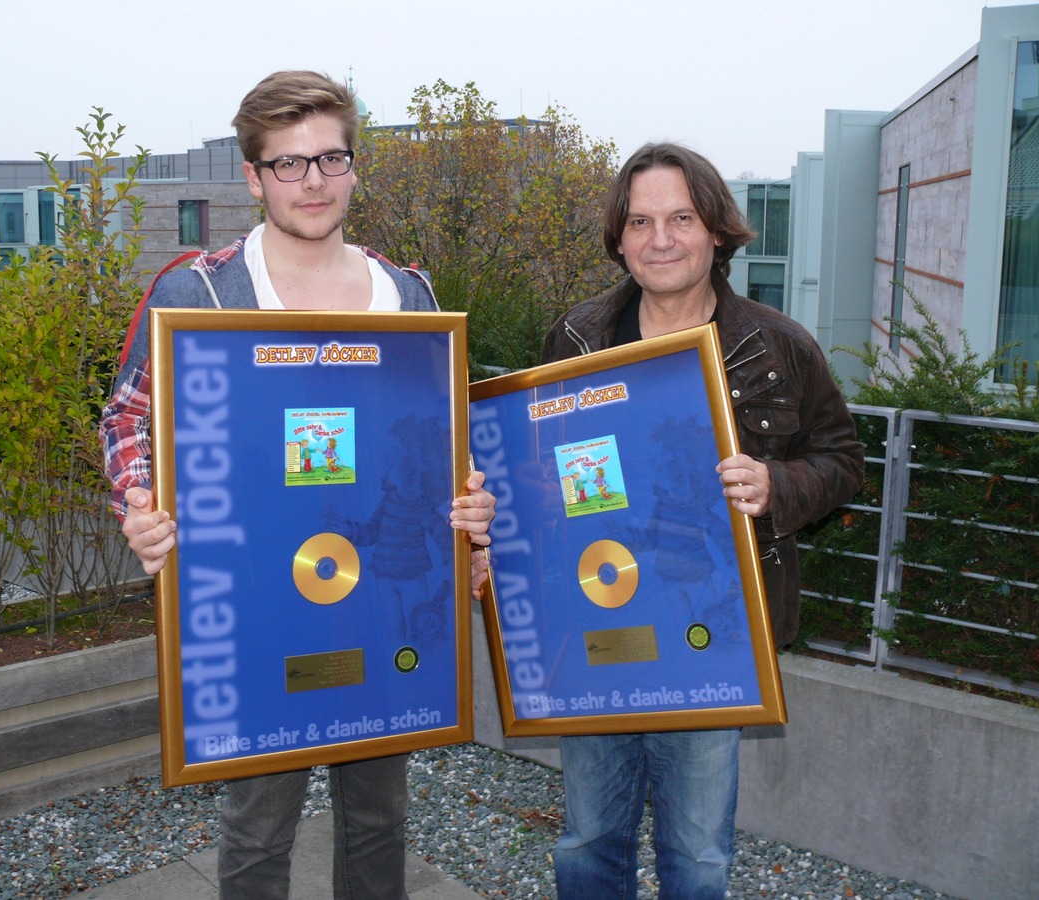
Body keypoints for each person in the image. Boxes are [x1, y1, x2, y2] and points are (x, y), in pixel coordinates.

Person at [99, 70, 496, 900]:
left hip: (378, 593)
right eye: (288, 163)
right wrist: (141, 503)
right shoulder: (198, 292)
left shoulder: (410, 294)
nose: (313, 181)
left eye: (330, 157)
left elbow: (438, 441)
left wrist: (469, 507)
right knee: (255, 832)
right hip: (253, 603)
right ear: (253, 177)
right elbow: (128, 419)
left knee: (381, 821)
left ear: (354, 165)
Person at [540, 142, 865, 899]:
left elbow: (843, 461)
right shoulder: (578, 338)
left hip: (713, 631)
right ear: (619, 237)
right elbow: (540, 466)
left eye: (681, 217)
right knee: (588, 841)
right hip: (599, 619)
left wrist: (776, 483)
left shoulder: (778, 346)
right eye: (642, 220)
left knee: (699, 855)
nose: (661, 239)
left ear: (716, 230)